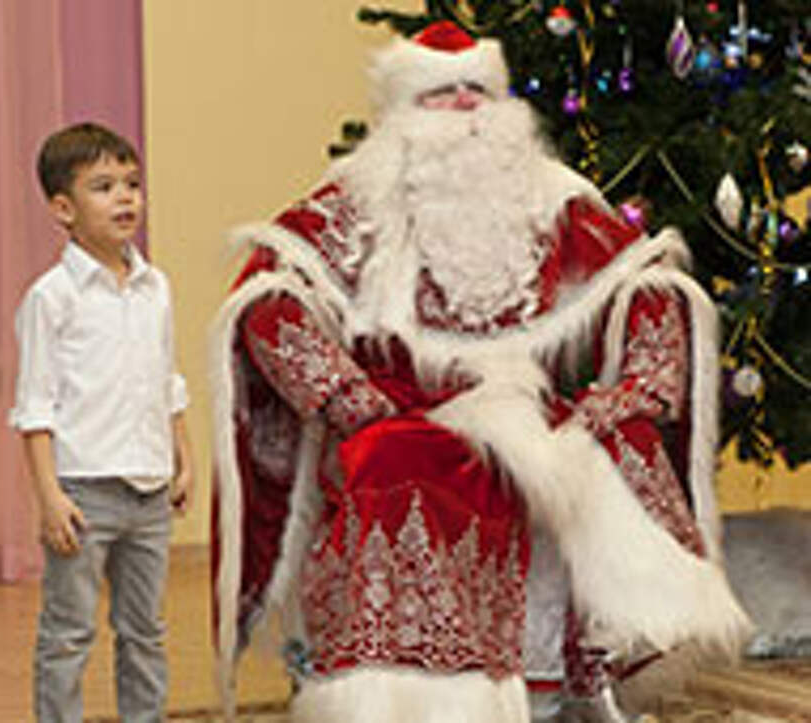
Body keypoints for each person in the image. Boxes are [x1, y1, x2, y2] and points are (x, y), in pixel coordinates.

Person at [210, 21, 751, 723]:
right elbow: (268, 294)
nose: (466, 107)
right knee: (396, 458)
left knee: (616, 445)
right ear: (404, 110)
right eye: (443, 93)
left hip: (527, 400)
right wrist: (346, 395)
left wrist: (634, 387)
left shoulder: (549, 194)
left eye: (477, 90)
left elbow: (649, 279)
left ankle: (588, 673)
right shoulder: (355, 200)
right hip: (404, 407)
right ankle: (411, 698)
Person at [10, 122, 193, 723]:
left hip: (149, 490)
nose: (125, 198)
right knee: (68, 634)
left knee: (145, 631)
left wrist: (183, 458)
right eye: (104, 186)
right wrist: (50, 497)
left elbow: (167, 379)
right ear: (64, 208)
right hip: (83, 493)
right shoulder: (51, 297)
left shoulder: (155, 287)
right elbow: (35, 407)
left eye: (132, 184)